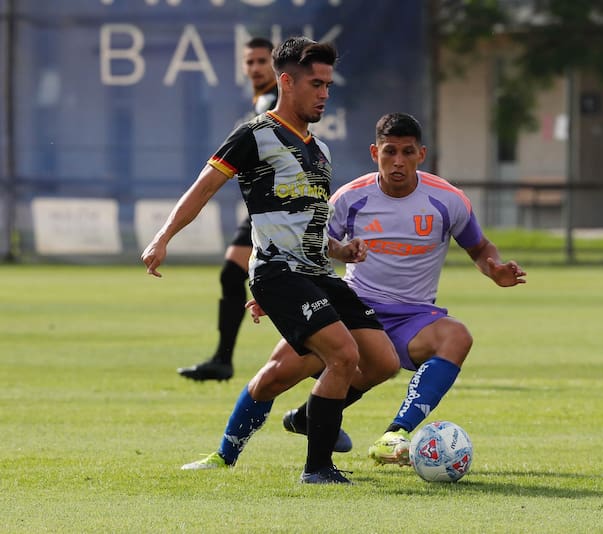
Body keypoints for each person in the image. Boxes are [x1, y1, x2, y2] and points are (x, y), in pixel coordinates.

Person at [178, 112, 526, 474]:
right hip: (352, 309)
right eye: (390, 152)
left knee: (457, 336)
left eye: (407, 153)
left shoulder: (447, 199)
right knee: (275, 376)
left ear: (421, 154)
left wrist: (494, 268)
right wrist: (282, 294)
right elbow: (310, 244)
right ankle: (223, 456)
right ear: (375, 152)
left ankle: (395, 434)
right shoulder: (350, 198)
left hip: (414, 317)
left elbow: (479, 247)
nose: (398, 162)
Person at [142, 37, 399, 485]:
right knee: (342, 354)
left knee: (379, 362)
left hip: (317, 275)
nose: (324, 94)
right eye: (316, 84)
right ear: (287, 82)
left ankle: (290, 424)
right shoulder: (254, 135)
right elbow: (203, 188)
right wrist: (163, 237)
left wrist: (341, 250)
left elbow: (309, 225)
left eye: (328, 86)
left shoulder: (320, 150)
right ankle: (317, 469)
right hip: (278, 274)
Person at [177, 37, 278, 382]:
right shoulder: (265, 99)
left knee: (283, 282)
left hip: (278, 204)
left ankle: (342, 346)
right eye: (249, 62)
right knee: (235, 274)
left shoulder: (273, 100)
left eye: (262, 61)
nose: (255, 68)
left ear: (275, 64)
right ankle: (222, 359)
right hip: (263, 204)